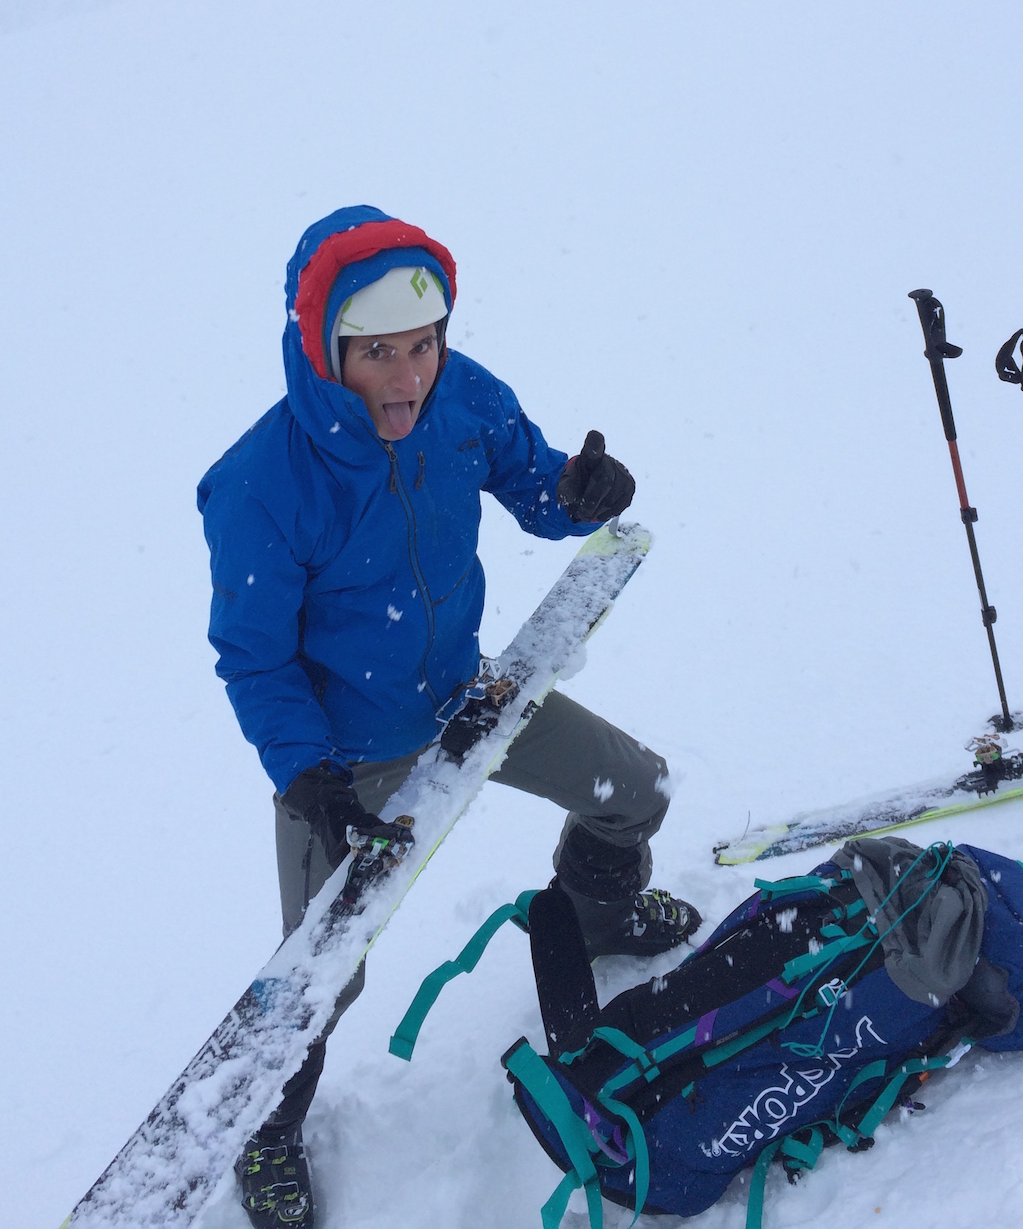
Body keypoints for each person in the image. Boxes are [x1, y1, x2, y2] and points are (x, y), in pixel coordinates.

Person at [197, 205, 699, 1228]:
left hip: (466, 703)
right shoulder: (260, 482)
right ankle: (266, 1131)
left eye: (423, 343)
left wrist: (577, 489)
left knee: (633, 790)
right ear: (323, 347)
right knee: (320, 980)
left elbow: (532, 483)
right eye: (377, 350)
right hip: (342, 763)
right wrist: (305, 773)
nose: (408, 374)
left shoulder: (461, 397)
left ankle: (600, 913)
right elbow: (254, 655)